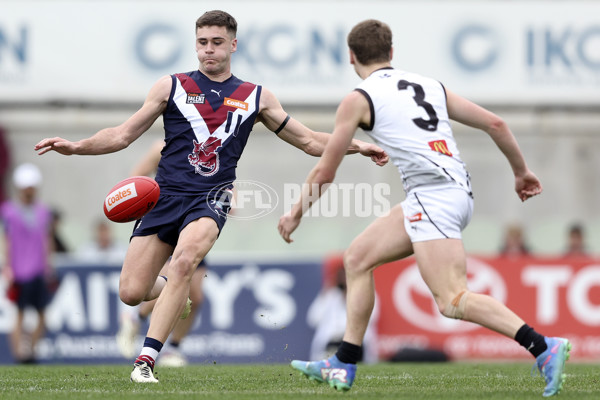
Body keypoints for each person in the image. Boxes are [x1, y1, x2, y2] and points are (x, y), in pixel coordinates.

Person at [34, 10, 388, 383]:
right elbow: (122, 135)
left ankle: (146, 360)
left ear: (233, 44)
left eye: (217, 42)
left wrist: (358, 145)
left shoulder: (256, 96)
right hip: (165, 197)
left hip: (211, 197)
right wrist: (76, 146)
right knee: (131, 292)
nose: (209, 50)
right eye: (202, 42)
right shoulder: (170, 86)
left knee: (185, 260)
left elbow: (310, 141)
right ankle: (174, 292)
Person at [278, 19, 570, 397]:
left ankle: (543, 347)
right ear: (392, 53)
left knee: (452, 300)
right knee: (357, 259)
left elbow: (326, 168)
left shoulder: (358, 99)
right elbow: (495, 123)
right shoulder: (429, 85)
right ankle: (344, 362)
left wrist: (296, 211)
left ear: (351, 56)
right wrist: (521, 172)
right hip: (446, 193)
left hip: (434, 197)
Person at [116, 139, 207, 367]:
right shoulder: (162, 147)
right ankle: (136, 318)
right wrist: (150, 198)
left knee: (195, 297)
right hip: (168, 221)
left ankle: (173, 348)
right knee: (175, 283)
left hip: (196, 222)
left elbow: (223, 179)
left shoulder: (214, 145)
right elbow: (136, 178)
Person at [0, 163, 54, 363]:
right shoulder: (9, 212)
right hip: (19, 271)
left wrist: (48, 265)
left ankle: (30, 352)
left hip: (39, 270)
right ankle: (18, 355)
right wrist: (7, 266)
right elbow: (7, 240)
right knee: (19, 314)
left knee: (41, 315)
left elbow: (46, 240)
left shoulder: (43, 211)